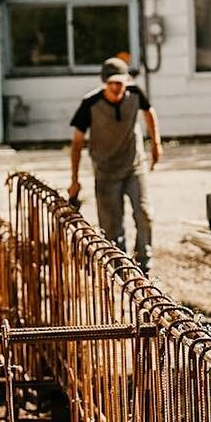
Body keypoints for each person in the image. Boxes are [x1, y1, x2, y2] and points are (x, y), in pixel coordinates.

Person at [68, 57, 161, 272]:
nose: (117, 88)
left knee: (144, 213)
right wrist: (75, 180)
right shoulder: (90, 104)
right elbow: (76, 144)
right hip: (106, 170)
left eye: (121, 83)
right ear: (104, 84)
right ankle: (118, 265)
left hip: (133, 165)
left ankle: (143, 262)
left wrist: (156, 143)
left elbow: (149, 112)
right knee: (111, 224)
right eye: (112, 84)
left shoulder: (135, 94)